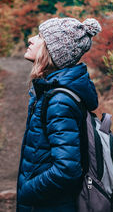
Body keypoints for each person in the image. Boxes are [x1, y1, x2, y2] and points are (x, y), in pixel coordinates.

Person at [16, 17, 101, 212]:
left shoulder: (59, 101)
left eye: (39, 36)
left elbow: (67, 169)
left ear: (54, 52)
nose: (30, 39)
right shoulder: (50, 91)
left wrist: (27, 191)